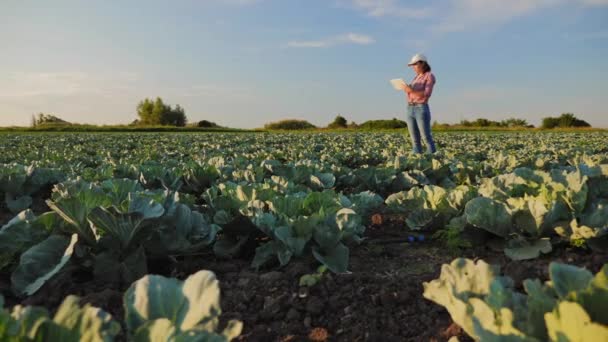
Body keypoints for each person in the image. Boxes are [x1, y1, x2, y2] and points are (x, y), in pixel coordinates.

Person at [402, 53, 437, 154]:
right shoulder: (416, 78)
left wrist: (411, 90)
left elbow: (427, 94)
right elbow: (412, 92)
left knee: (426, 137)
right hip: (410, 108)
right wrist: (406, 88)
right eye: (412, 65)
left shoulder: (429, 76)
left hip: (420, 108)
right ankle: (416, 160)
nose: (413, 67)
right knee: (414, 139)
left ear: (422, 63)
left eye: (414, 64)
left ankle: (433, 159)